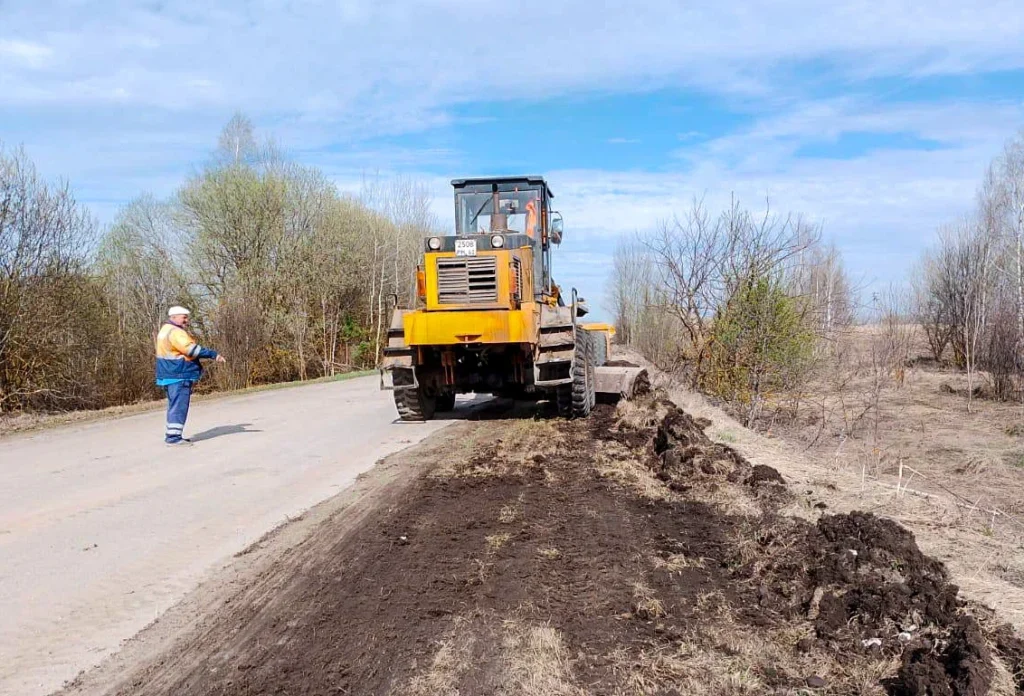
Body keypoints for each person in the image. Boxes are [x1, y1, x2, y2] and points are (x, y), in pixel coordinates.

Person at [155, 306, 226, 446]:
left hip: (168, 374)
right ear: (174, 317)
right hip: (179, 374)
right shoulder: (176, 332)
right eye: (184, 317)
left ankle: (172, 434)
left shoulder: (164, 331)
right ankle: (174, 438)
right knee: (179, 406)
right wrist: (213, 354)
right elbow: (191, 350)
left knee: (174, 406)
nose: (186, 320)